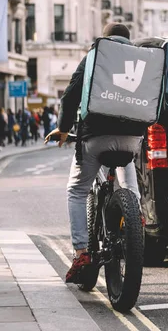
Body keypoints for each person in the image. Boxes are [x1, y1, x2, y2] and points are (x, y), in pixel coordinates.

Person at [45, 23, 144, 284]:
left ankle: (81, 253)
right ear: (127, 39)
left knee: (77, 190)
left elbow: (70, 97)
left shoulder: (95, 55)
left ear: (106, 36)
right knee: (128, 174)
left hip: (96, 137)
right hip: (132, 139)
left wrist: (63, 130)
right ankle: (136, 221)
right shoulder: (142, 60)